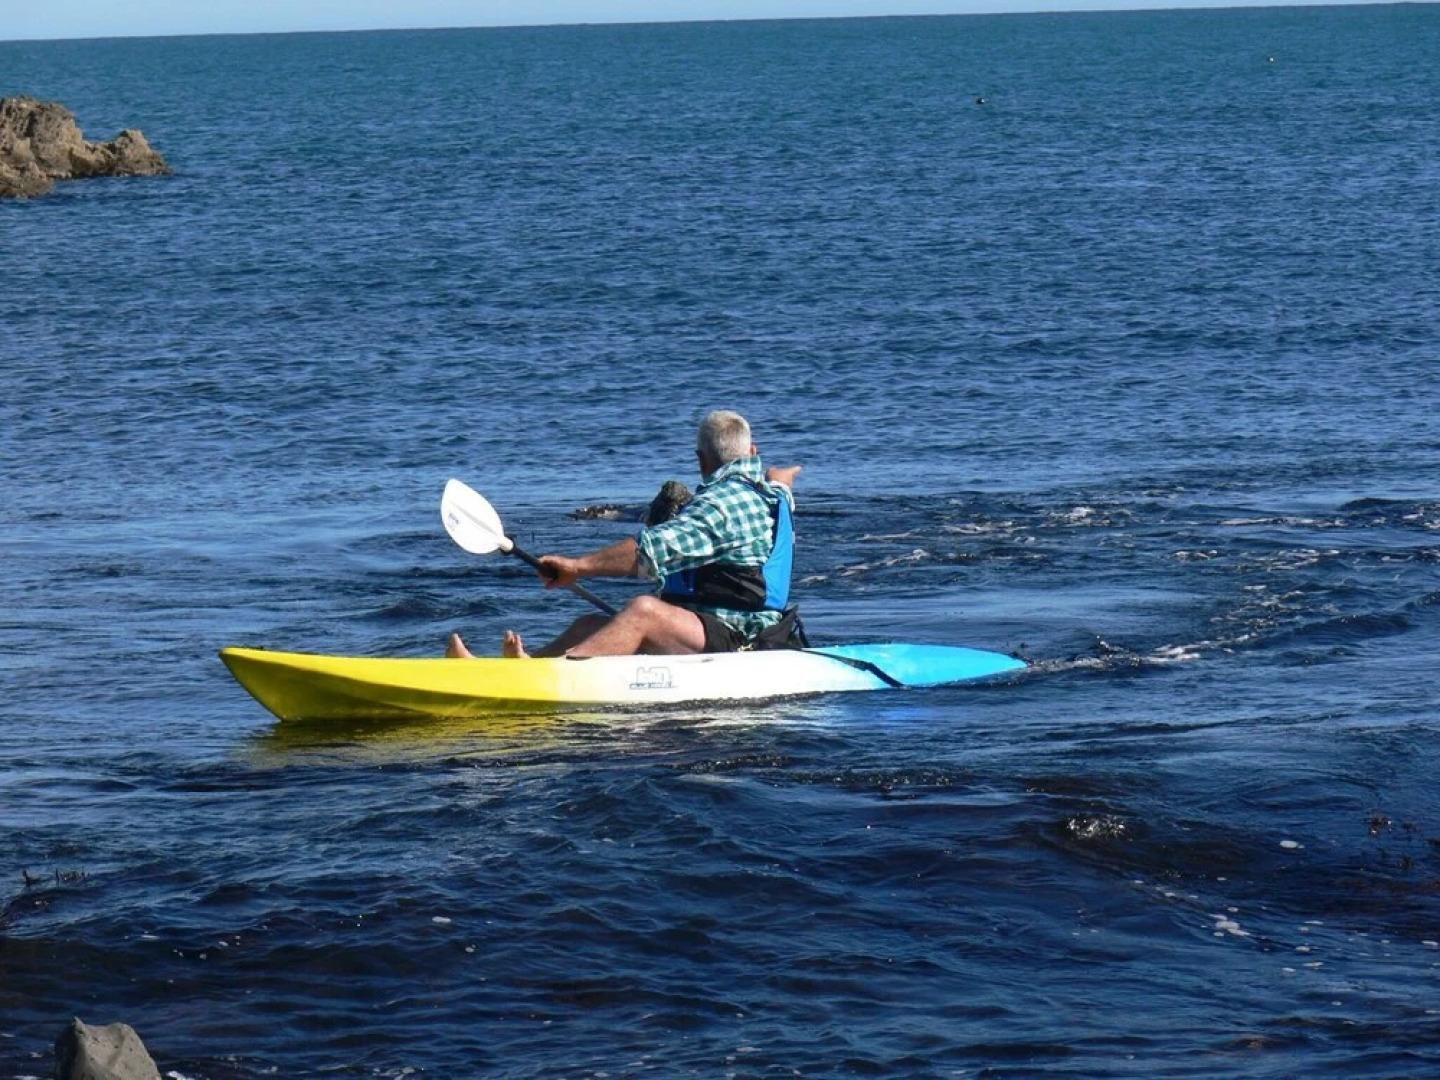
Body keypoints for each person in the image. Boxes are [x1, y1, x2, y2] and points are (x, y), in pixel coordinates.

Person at [447, 410, 802, 659]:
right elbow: (781, 487)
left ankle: (547, 676)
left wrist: (577, 566)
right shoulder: (768, 494)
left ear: (701, 460)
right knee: (589, 624)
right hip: (714, 626)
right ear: (751, 453)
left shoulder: (722, 505)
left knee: (644, 611)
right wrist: (781, 479)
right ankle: (519, 668)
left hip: (741, 637)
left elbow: (648, 554)